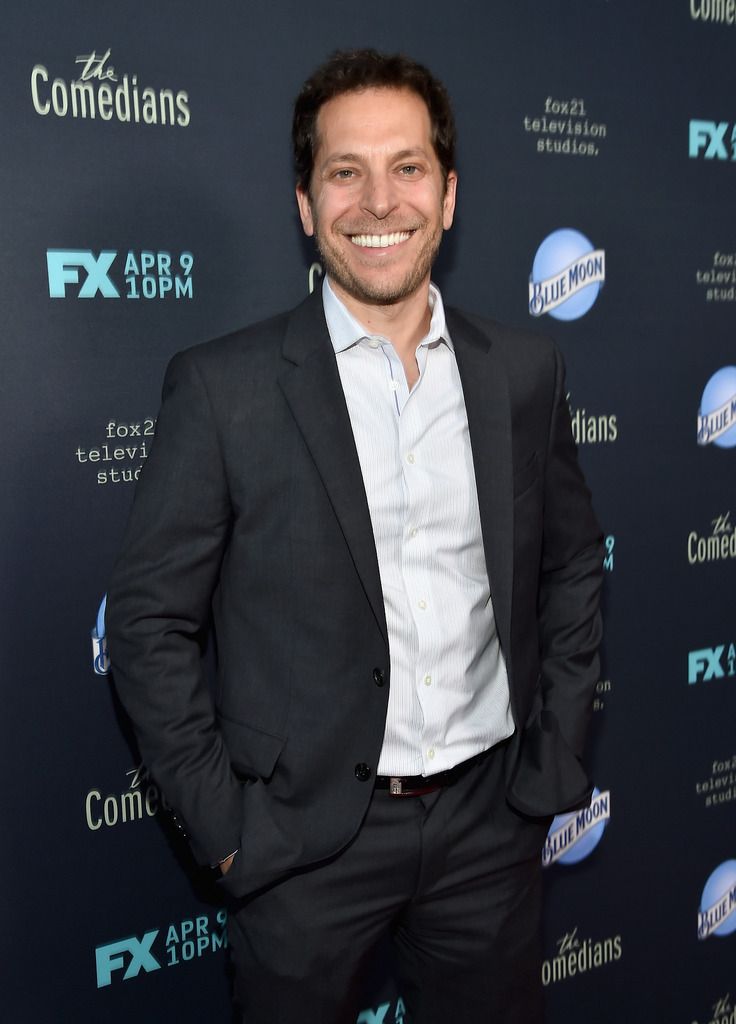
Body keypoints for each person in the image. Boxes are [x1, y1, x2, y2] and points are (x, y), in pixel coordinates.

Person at [107, 48, 604, 1024]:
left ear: (449, 194)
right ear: (305, 201)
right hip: (298, 847)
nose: (379, 202)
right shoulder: (223, 389)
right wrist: (228, 828)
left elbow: (574, 561)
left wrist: (549, 766)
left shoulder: (524, 370)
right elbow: (146, 622)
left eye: (407, 167)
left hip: (486, 828)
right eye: (346, 172)